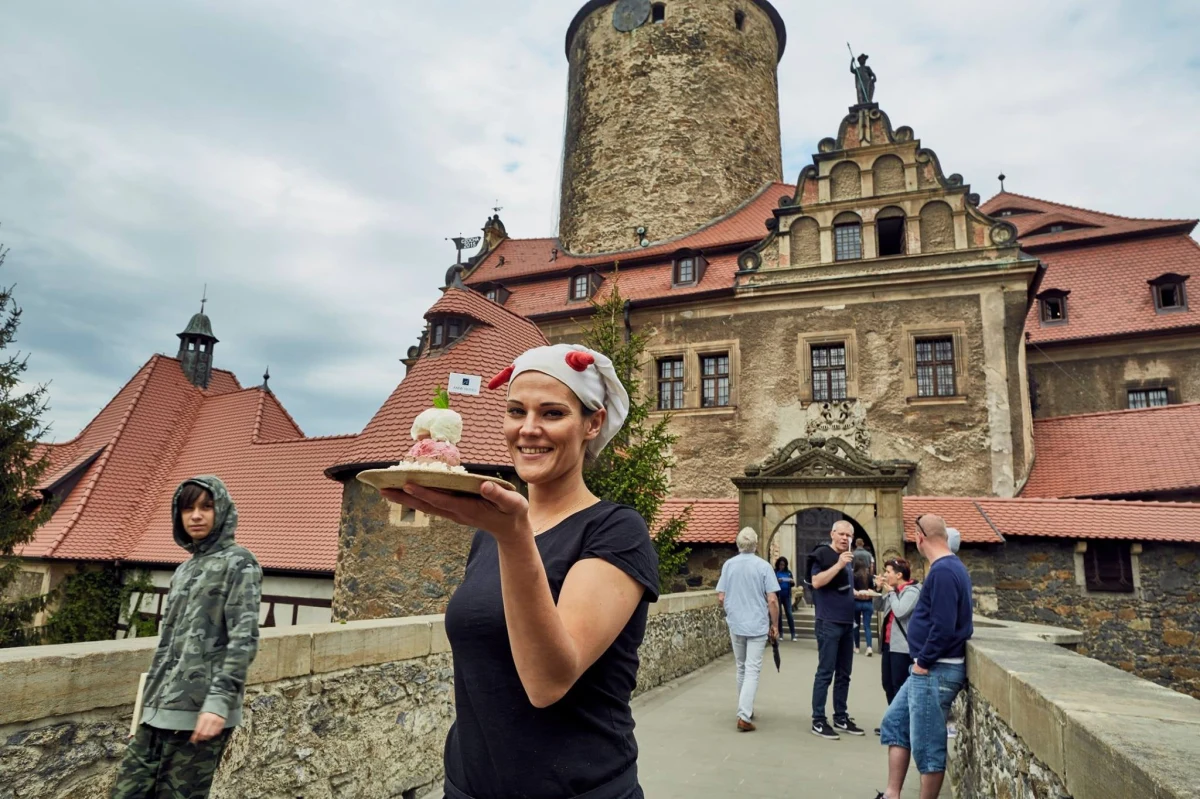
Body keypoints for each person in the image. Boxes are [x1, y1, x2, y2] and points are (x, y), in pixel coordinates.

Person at [384, 344, 659, 799]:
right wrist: (507, 530)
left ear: (592, 423)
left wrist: (514, 537)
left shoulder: (615, 530)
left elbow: (548, 682)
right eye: (516, 411)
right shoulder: (491, 532)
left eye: (552, 413)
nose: (529, 430)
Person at [112, 476, 262, 799]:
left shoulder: (240, 563)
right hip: (156, 715)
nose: (196, 515)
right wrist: (144, 714)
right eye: (188, 508)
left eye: (206, 507)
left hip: (201, 715)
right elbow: (166, 648)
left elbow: (243, 640)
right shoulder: (182, 571)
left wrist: (218, 705)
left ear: (221, 510)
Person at [876, 514, 974, 799]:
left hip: (935, 670)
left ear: (920, 537)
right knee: (895, 723)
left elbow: (944, 626)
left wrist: (923, 662)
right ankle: (892, 793)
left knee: (928, 747)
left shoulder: (943, 572)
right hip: (929, 669)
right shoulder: (949, 568)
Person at [805, 520, 864, 739]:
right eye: (841, 534)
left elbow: (840, 588)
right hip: (828, 622)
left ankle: (840, 716)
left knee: (844, 674)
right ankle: (818, 720)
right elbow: (817, 582)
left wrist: (857, 594)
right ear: (832, 533)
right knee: (825, 672)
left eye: (848, 535)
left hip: (848, 622)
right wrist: (839, 564)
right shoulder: (823, 555)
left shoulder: (848, 558)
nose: (844, 538)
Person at [716, 529, 780, 731]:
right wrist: (775, 624)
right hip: (757, 623)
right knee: (752, 669)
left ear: (738, 544)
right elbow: (772, 599)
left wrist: (732, 610)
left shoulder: (728, 565)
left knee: (741, 667)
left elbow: (721, 596)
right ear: (756, 544)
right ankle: (744, 714)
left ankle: (744, 708)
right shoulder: (763, 566)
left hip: (736, 622)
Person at [872, 558, 920, 735]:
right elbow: (878, 607)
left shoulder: (912, 591)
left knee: (900, 687)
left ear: (899, 575)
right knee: (888, 684)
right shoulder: (893, 591)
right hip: (888, 645)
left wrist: (891, 592)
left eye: (888, 572)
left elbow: (900, 611)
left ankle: (901, 726)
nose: (884, 575)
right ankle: (894, 721)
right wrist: (878, 590)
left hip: (903, 648)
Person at [853, 561, 875, 656]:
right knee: (867, 626)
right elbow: (873, 589)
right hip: (867, 603)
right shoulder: (870, 577)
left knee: (856, 626)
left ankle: (857, 647)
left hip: (856, 602)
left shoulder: (854, 576)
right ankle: (869, 647)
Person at [773, 556, 796, 641]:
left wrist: (792, 582)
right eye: (780, 565)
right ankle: (781, 633)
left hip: (787, 596)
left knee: (789, 614)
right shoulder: (775, 572)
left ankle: (793, 634)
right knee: (779, 615)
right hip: (778, 596)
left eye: (783, 565)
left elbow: (792, 583)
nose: (781, 566)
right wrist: (777, 581)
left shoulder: (788, 572)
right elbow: (771, 582)